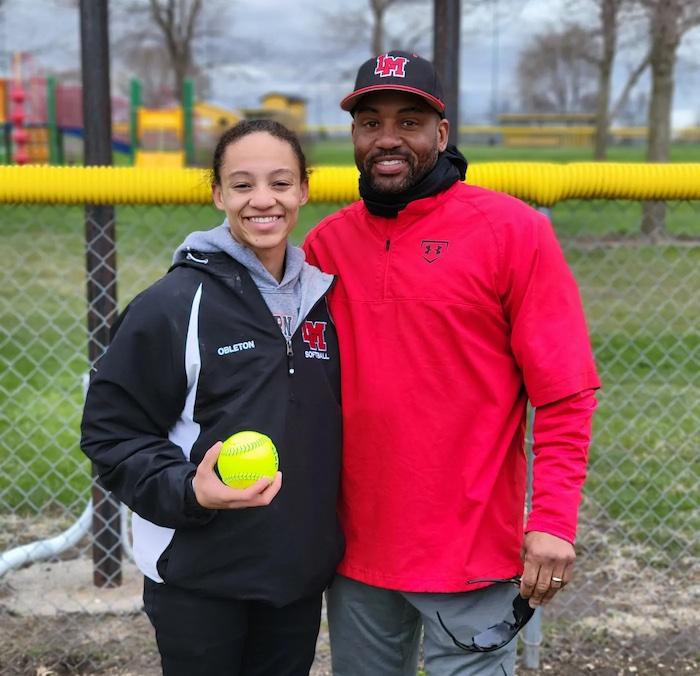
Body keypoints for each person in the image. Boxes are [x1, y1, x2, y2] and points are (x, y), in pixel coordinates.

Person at [303, 50, 601, 675]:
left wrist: (552, 522)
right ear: (354, 135)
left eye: (409, 121)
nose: (388, 138)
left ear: (441, 133)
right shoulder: (323, 245)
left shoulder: (512, 232)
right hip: (354, 549)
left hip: (471, 550)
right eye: (370, 122)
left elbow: (566, 391)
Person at [80, 119, 344, 676]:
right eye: (243, 185)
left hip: (292, 574)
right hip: (198, 574)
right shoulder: (173, 304)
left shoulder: (325, 301)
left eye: (280, 182)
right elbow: (112, 432)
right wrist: (189, 491)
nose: (263, 200)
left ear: (303, 190)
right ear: (218, 193)